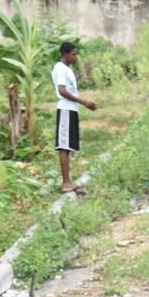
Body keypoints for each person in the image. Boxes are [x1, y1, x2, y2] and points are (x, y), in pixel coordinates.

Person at [52, 41, 95, 194]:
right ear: (65, 54)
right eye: (73, 54)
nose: (76, 57)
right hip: (65, 110)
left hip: (71, 110)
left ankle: (68, 182)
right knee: (64, 146)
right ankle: (66, 184)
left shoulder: (67, 69)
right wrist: (84, 102)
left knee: (68, 146)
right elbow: (62, 91)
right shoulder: (60, 68)